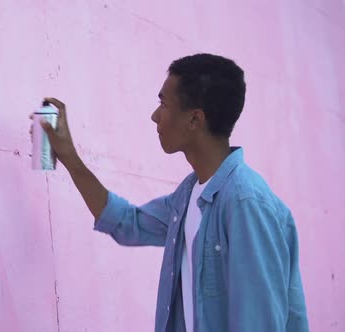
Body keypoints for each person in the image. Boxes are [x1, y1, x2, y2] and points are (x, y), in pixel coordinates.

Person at [34, 54, 309, 331]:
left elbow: (259, 324)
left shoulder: (245, 203)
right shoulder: (188, 196)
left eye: (163, 104)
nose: (155, 116)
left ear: (194, 120)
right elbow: (128, 222)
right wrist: (69, 157)